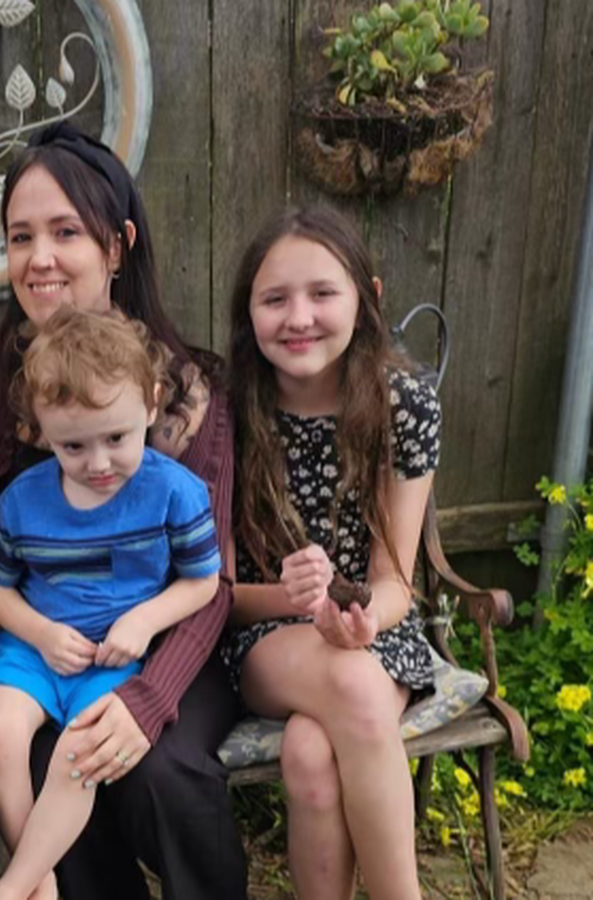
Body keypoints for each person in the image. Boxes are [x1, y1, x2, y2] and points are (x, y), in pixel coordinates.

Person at [0, 123, 248, 899]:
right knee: (31, 748)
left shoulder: (182, 391)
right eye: (20, 236)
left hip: (168, 641)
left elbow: (212, 580)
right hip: (41, 644)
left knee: (158, 768)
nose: (39, 258)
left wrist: (148, 699)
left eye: (65, 232)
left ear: (116, 247)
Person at [227, 205, 439, 900]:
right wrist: (291, 598)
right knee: (352, 687)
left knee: (311, 752)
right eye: (275, 299)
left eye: (322, 293)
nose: (299, 318)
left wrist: (364, 620)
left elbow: (394, 579)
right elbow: (219, 594)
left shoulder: (402, 405)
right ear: (248, 310)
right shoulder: (227, 412)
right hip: (264, 636)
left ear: (366, 297)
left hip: (374, 632)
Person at [0, 308, 222, 900]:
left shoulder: (173, 492)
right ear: (39, 431)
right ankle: (39, 881)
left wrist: (144, 619)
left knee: (80, 750)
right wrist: (40, 634)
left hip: (113, 657)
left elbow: (204, 582)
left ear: (152, 404)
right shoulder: (21, 503)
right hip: (37, 649)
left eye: (117, 438)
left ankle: (12, 889)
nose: (100, 463)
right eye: (74, 446)